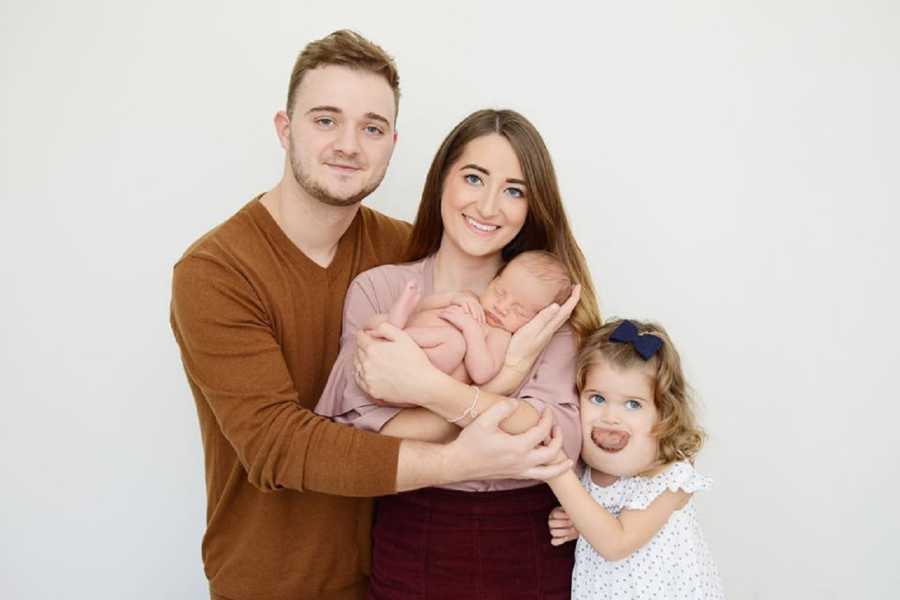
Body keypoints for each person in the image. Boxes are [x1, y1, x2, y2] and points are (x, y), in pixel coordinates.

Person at [169, 30, 572, 600]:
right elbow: (277, 445)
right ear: (285, 129)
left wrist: (589, 500)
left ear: (392, 143)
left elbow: (567, 403)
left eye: (372, 127)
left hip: (391, 566)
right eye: (325, 120)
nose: (349, 145)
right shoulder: (215, 272)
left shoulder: (402, 253)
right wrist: (465, 454)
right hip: (276, 578)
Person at [316, 108, 603, 599]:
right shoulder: (379, 290)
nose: (489, 206)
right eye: (474, 178)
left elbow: (553, 439)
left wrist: (426, 390)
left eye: (514, 190)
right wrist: (502, 387)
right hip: (414, 531)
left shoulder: (543, 305)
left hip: (530, 540)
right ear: (442, 180)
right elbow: (360, 443)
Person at [546, 319, 725, 599]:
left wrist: (555, 472)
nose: (610, 417)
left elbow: (616, 542)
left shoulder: (670, 480)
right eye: (597, 398)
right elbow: (603, 529)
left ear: (664, 415)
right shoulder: (587, 474)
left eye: (632, 404)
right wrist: (583, 526)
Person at [358, 250, 572, 390]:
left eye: (520, 311)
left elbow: (481, 374)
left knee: (454, 342)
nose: (502, 307)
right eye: (499, 292)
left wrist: (471, 330)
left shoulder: (499, 335)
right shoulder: (470, 299)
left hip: (416, 378)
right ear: (493, 281)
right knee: (377, 319)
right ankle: (393, 326)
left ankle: (396, 332)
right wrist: (453, 298)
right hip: (387, 356)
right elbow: (423, 309)